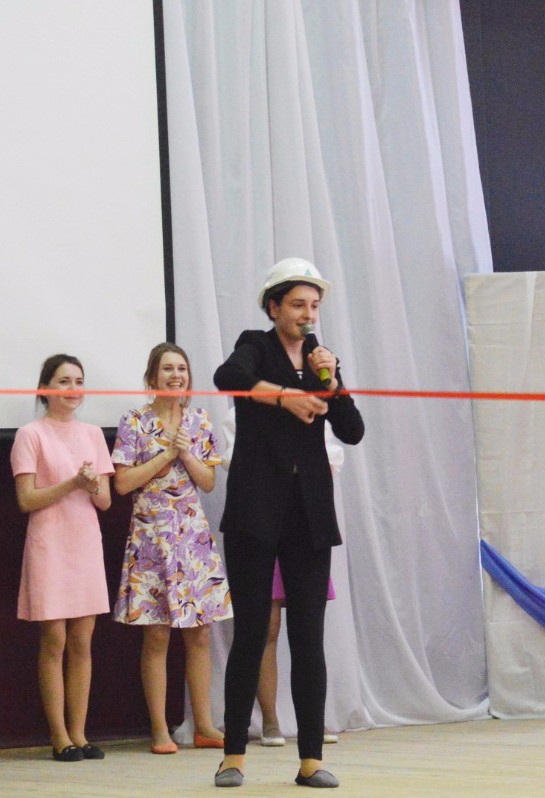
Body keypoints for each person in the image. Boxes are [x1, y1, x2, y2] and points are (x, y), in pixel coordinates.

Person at [211, 258, 364, 789]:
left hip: (309, 512)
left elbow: (352, 430)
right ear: (274, 307)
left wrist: (333, 382)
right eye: (298, 304)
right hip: (255, 510)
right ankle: (233, 756)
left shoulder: (322, 361)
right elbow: (226, 377)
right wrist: (282, 395)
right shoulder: (255, 346)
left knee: (308, 637)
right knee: (252, 633)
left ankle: (311, 760)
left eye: (314, 305)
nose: (307, 314)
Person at [111, 343, 232, 755]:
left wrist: (186, 453)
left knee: (200, 634)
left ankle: (204, 725)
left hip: (191, 538)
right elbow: (123, 483)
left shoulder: (199, 421)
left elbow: (208, 482)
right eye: (167, 368)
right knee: (157, 635)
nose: (176, 375)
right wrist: (166, 454)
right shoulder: (134, 420)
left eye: (181, 368)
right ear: (152, 377)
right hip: (152, 538)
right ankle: (160, 730)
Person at [11, 354, 114, 762]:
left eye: (79, 381)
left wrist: (90, 485)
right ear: (46, 388)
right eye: (64, 381)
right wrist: (72, 482)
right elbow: (26, 500)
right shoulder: (30, 434)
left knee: (83, 641)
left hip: (85, 542)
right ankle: (59, 736)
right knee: (54, 639)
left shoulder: (92, 434)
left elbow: (105, 501)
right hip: (50, 543)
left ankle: (80, 733)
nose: (73, 389)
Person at [219, 410, 342, 749]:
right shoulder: (241, 413)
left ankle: (311, 729)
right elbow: (232, 461)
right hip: (260, 527)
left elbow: (334, 455)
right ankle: (269, 720)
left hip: (304, 525)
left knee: (309, 633)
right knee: (263, 629)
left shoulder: (312, 409)